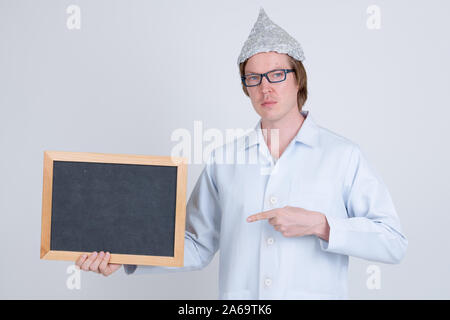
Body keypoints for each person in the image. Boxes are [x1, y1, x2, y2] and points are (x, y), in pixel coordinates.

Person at [76, 7, 407, 299]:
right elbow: (196, 245)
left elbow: (393, 241)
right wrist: (128, 257)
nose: (266, 87)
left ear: (298, 79)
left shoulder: (342, 156)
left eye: (277, 74)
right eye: (254, 77)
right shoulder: (225, 160)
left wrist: (320, 225)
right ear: (245, 86)